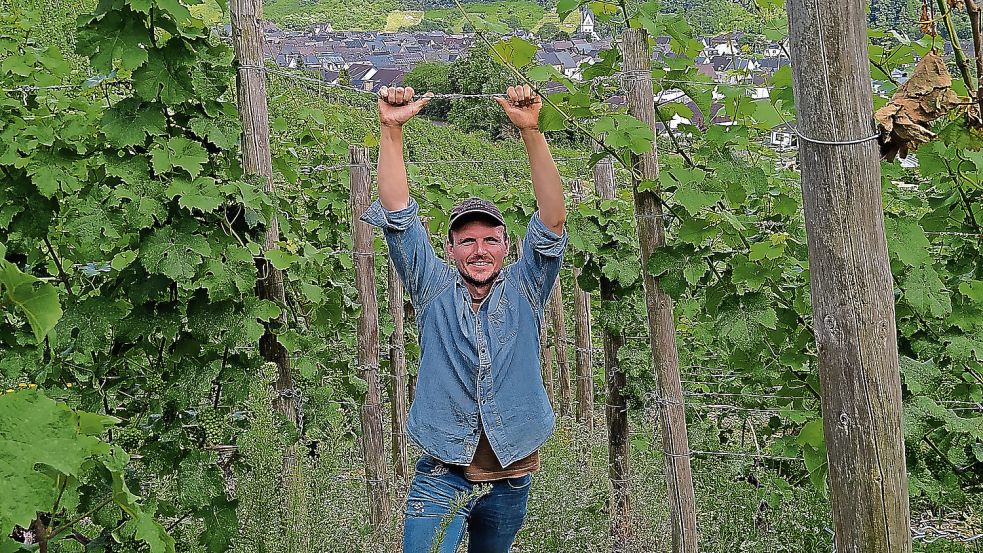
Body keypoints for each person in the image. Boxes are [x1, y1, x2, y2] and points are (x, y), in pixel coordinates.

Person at [360, 83, 568, 553]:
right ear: (450, 248)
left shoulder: (525, 289)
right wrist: (391, 131)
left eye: (490, 240)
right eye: (467, 240)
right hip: (442, 472)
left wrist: (531, 132)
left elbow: (552, 222)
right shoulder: (431, 287)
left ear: (506, 248)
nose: (479, 250)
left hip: (511, 475)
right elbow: (397, 213)